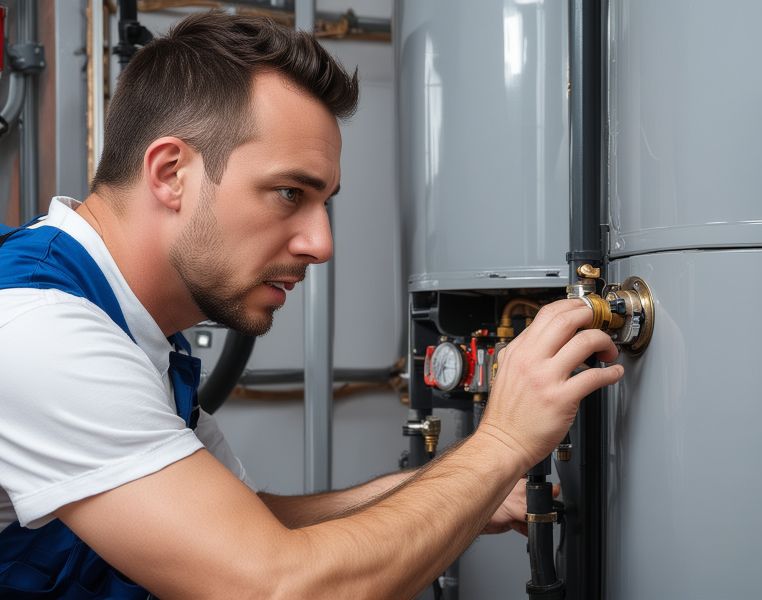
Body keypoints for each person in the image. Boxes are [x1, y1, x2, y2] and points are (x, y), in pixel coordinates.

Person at [0, 11, 623, 599]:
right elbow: (276, 585)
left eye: (324, 201)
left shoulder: (136, 332)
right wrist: (503, 442)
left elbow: (244, 528)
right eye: (288, 192)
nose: (321, 243)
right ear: (170, 173)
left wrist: (461, 488)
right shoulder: (40, 330)